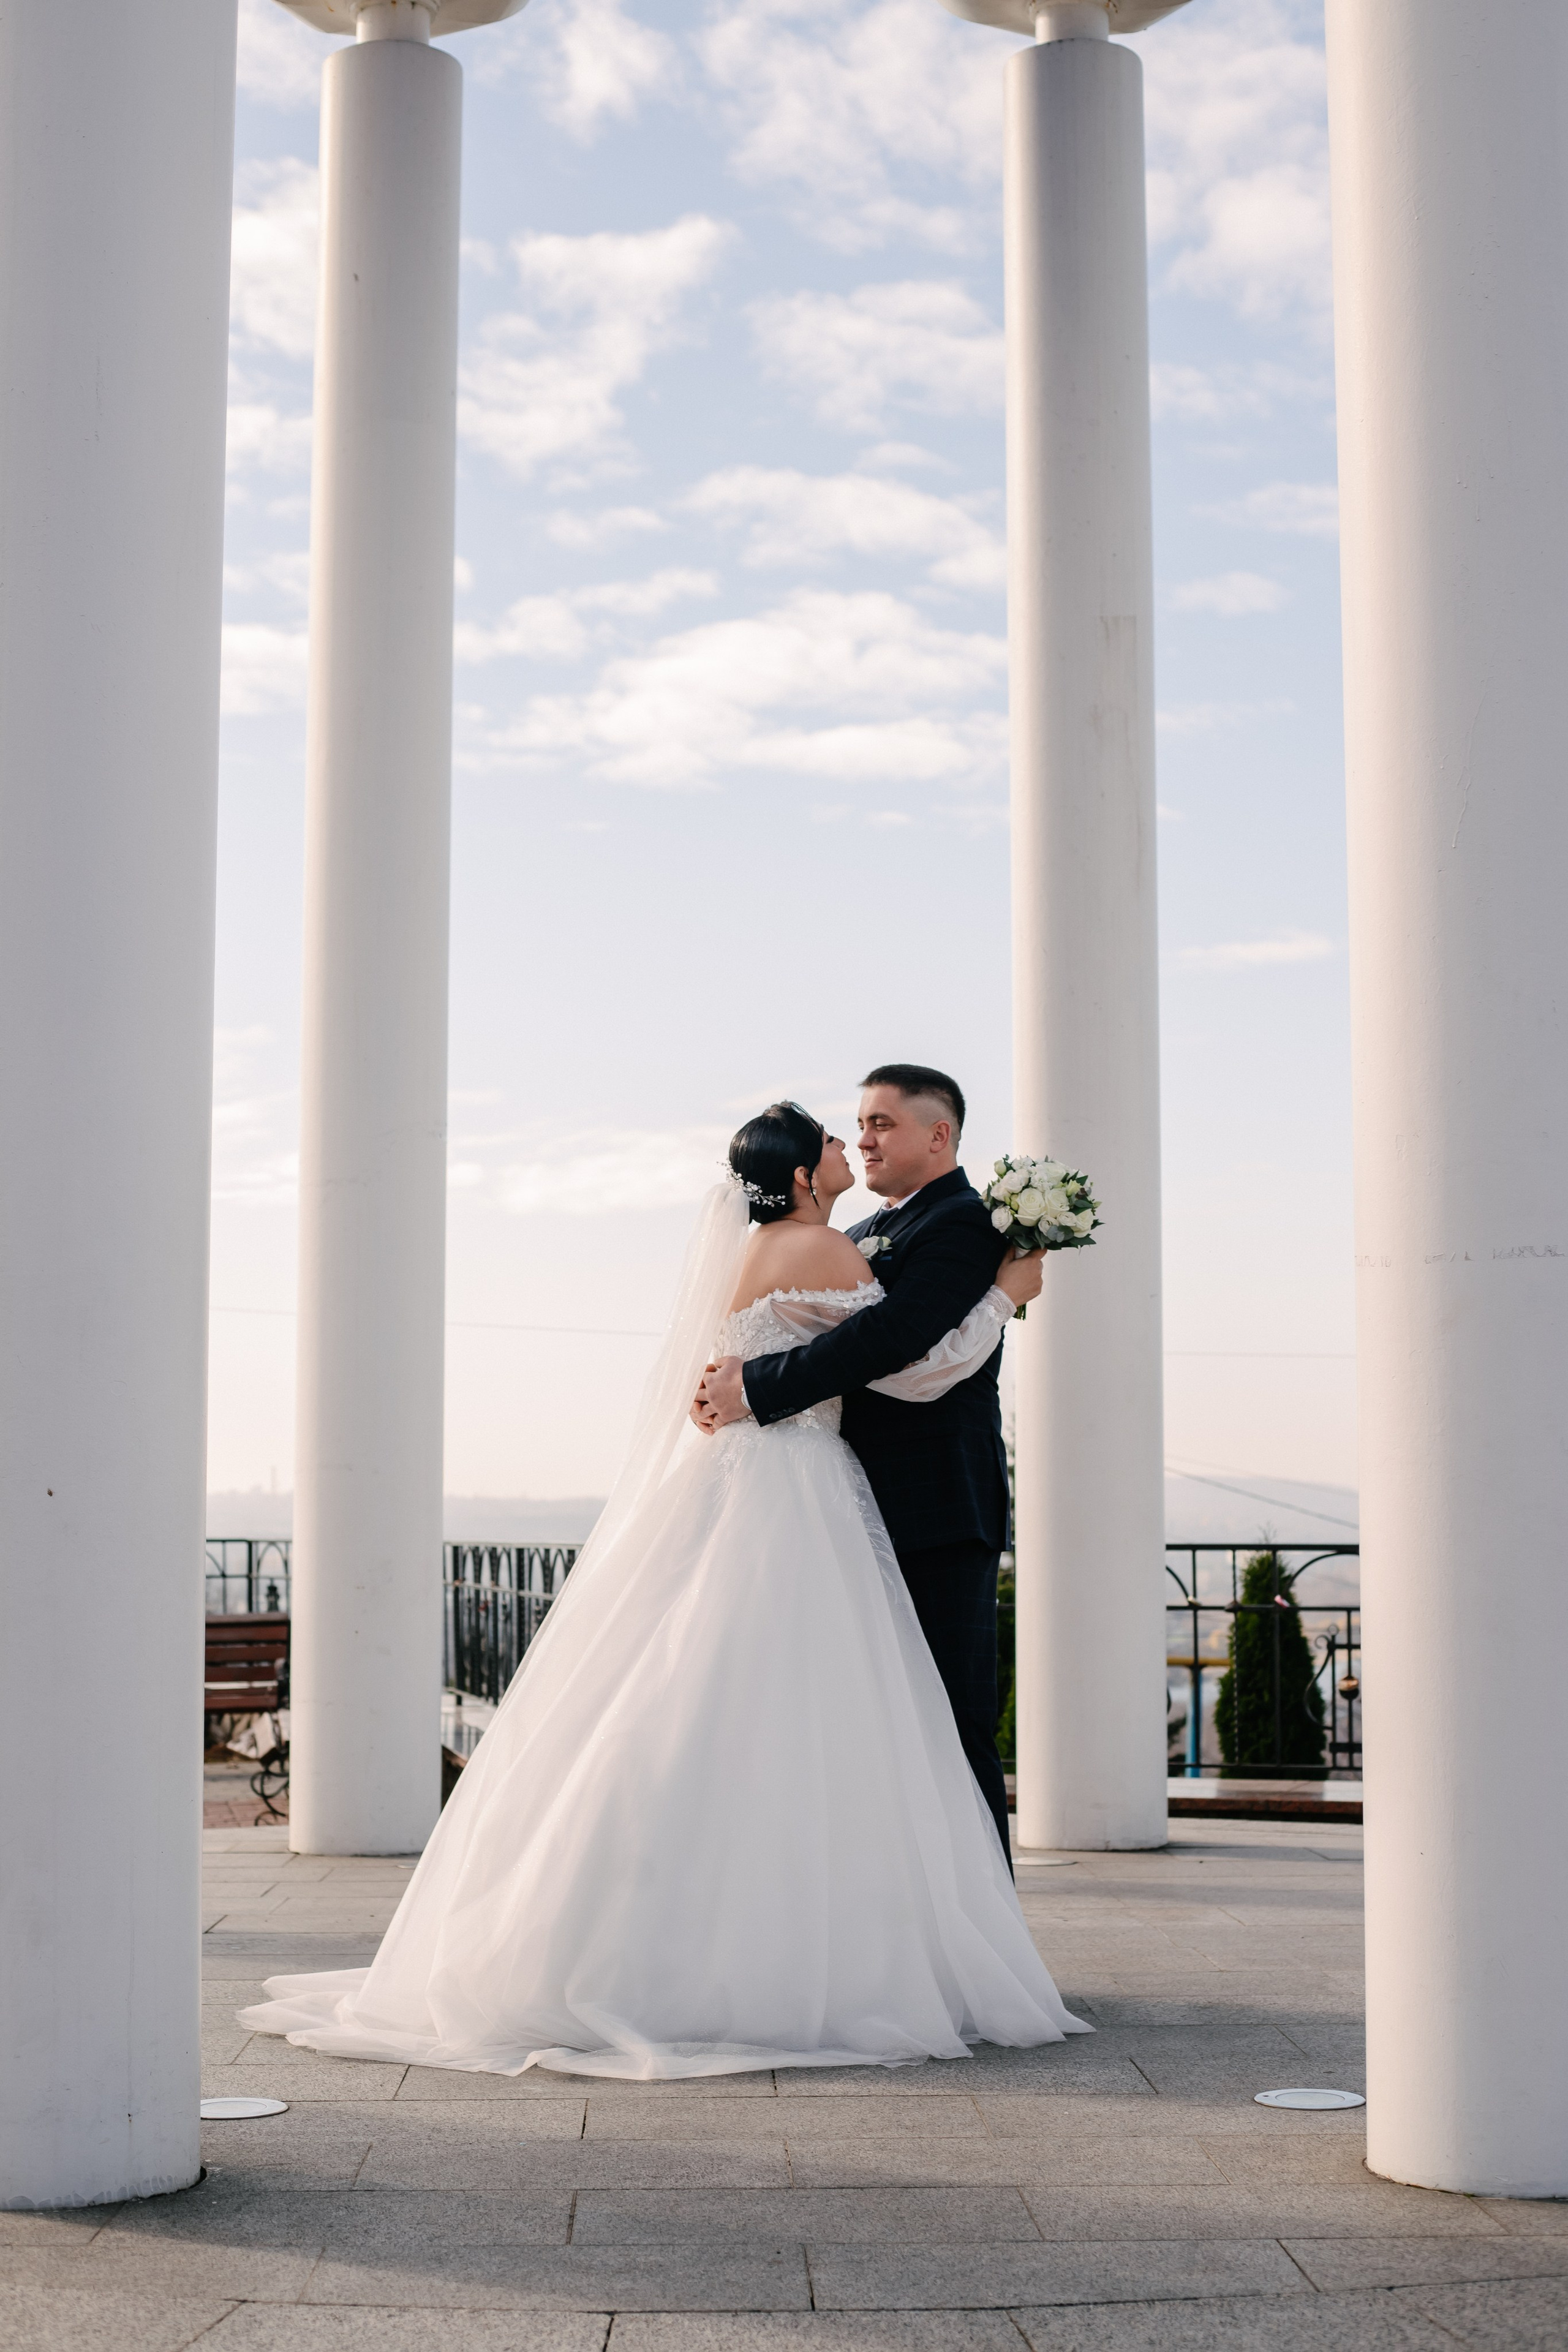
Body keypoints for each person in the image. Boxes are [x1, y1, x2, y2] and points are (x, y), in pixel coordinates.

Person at [238, 1101, 1087, 2081]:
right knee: (807, 1715)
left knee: (712, 1705)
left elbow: (808, 1356)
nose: (846, 1146)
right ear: (805, 1177)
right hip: (792, 1492)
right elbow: (915, 1363)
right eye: (831, 1138)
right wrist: (1006, 1293)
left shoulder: (778, 1242)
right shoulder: (821, 1248)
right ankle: (810, 1950)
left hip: (752, 1479)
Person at [695, 1066, 1016, 1857]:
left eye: (881, 1124)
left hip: (934, 1508)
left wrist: (748, 1386)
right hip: (837, 1507)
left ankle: (982, 1933)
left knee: (951, 1726)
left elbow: (898, 1351)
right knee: (869, 1728)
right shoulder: (856, 1236)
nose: (863, 1138)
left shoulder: (964, 1224)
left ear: (939, 1136)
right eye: (856, 1126)